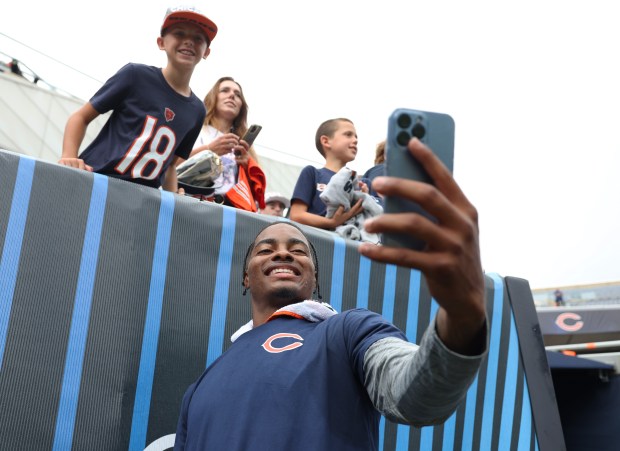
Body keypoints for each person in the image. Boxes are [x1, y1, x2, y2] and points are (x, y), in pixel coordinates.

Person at [174, 137, 488, 451]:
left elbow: (416, 393)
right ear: (246, 277)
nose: (283, 255)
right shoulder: (201, 385)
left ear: (314, 277)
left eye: (298, 251)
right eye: (266, 250)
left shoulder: (348, 331)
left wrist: (462, 316)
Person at [58, 6, 217, 192]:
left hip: (140, 202)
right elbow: (80, 117)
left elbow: (171, 165)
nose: (189, 41)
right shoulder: (135, 75)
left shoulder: (197, 111)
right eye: (179, 33)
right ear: (161, 42)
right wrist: (69, 156)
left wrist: (173, 196)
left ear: (206, 52)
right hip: (96, 181)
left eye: (198, 38)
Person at [184, 76, 265, 211]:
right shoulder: (195, 127)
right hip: (193, 203)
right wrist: (210, 150)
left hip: (232, 211)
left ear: (242, 106)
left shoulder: (244, 146)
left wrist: (247, 166)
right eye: (225, 90)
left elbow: (255, 195)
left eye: (237, 94)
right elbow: (173, 164)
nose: (232, 95)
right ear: (213, 97)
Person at [288, 118, 366, 230]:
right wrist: (331, 222)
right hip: (318, 244)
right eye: (348, 135)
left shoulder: (362, 183)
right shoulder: (312, 173)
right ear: (326, 141)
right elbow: (296, 215)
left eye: (356, 137)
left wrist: (364, 198)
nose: (355, 140)